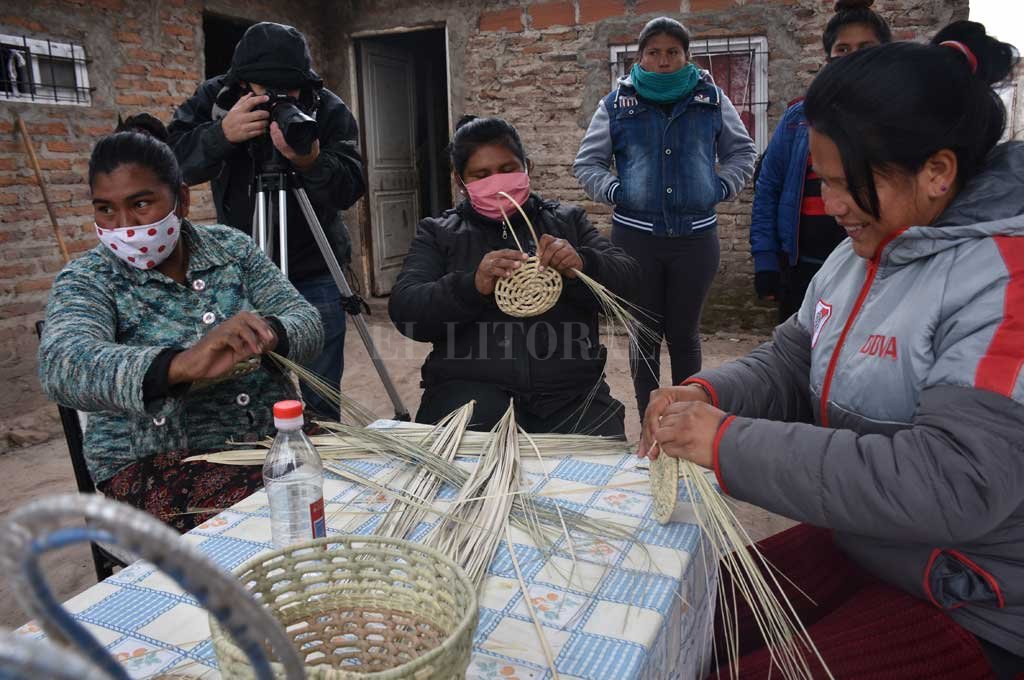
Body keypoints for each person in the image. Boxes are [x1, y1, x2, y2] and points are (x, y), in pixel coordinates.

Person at [640, 22, 1024, 679]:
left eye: (848, 183)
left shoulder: (1005, 279)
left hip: (971, 590)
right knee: (673, 621)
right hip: (865, 538)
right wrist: (709, 394)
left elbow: (954, 481)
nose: (831, 204)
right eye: (823, 180)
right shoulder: (860, 252)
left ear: (937, 171)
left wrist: (726, 442)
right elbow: (794, 359)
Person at [38, 123, 324, 533]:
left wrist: (269, 333)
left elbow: (307, 321)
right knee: (265, 529)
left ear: (182, 199)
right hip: (156, 464)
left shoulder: (233, 249)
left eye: (141, 204)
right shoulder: (89, 278)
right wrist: (180, 365)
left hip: (274, 441)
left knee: (365, 493)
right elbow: (62, 365)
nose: (123, 225)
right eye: (105, 209)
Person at [389, 116, 639, 435]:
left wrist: (583, 265)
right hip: (468, 397)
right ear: (460, 181)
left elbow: (628, 283)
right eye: (481, 175)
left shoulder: (567, 222)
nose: (497, 182)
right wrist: (470, 286)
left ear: (527, 167)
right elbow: (406, 308)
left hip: (571, 395)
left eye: (508, 169)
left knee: (600, 476)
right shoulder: (438, 233)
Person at [168, 22, 364, 418]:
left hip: (315, 266)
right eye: (264, 89)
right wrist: (221, 134)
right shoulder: (215, 98)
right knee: (247, 377)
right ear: (242, 83)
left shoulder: (325, 107)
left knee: (321, 385)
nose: (277, 99)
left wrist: (311, 162)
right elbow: (171, 166)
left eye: (288, 91)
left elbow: (351, 186)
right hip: (238, 270)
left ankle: (324, 446)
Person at [573, 17, 756, 418]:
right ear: (639, 58)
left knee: (685, 335)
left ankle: (686, 420)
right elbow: (588, 164)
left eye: (673, 52)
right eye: (653, 52)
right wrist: (618, 192)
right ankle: (649, 421)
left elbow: (743, 152)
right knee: (645, 336)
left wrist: (719, 188)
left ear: (686, 56)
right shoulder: (616, 105)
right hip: (636, 240)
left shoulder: (710, 99)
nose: (663, 60)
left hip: (696, 241)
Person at [751, 0, 892, 322]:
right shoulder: (799, 118)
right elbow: (769, 187)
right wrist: (766, 261)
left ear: (885, 52)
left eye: (865, 47)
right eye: (843, 49)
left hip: (874, 263)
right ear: (828, 58)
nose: (853, 57)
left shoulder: (897, 118)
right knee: (799, 358)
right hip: (804, 268)